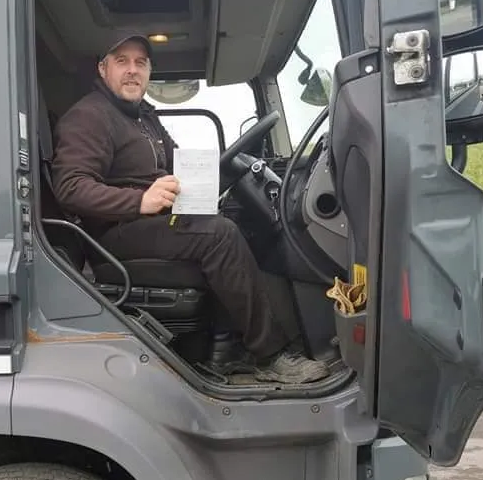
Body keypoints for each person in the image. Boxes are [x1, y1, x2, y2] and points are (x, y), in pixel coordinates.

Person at [50, 32, 329, 385]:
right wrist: (140, 200)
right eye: (121, 61)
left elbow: (175, 161)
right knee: (219, 235)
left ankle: (224, 346)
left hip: (150, 220)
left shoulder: (142, 117)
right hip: (113, 234)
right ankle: (269, 354)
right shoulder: (90, 116)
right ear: (103, 69)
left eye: (140, 62)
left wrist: (208, 178)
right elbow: (70, 188)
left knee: (232, 222)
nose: (132, 70)